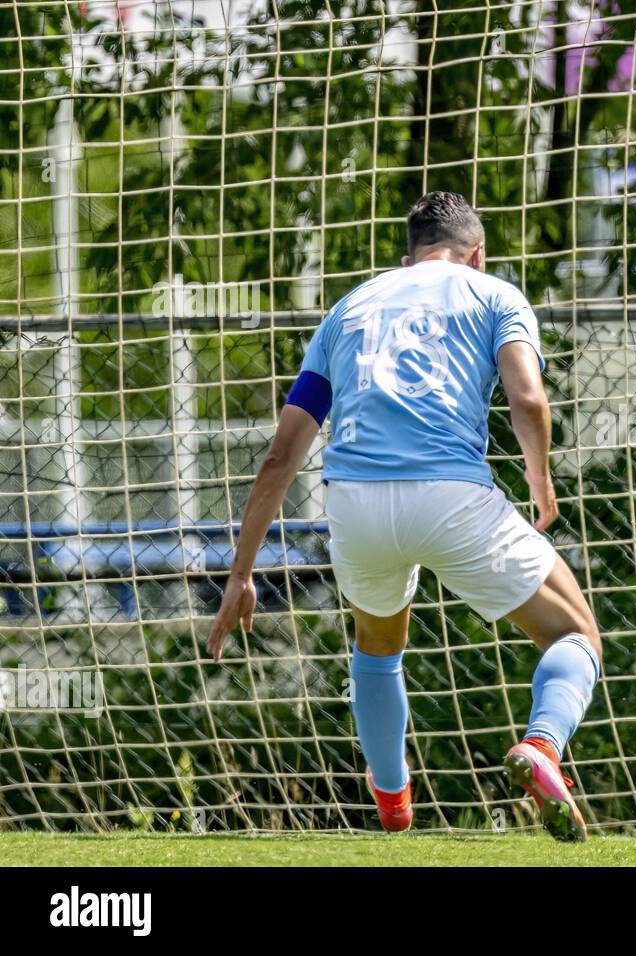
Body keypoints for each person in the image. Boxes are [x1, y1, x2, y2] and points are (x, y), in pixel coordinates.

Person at [207, 191, 600, 842]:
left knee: (378, 647)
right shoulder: (495, 295)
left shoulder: (350, 308)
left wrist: (241, 573)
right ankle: (541, 747)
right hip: (451, 495)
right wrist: (540, 479)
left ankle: (393, 801)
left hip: (355, 503)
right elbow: (528, 398)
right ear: (476, 254)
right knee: (574, 635)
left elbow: (281, 454)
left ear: (407, 258)